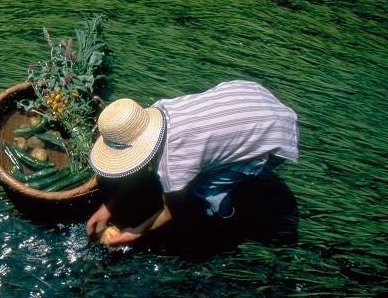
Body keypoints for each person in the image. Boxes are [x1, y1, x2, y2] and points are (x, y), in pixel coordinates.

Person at [85, 80, 299, 246]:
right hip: (251, 97)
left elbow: (172, 212)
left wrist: (136, 233)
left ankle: (228, 222)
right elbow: (141, 165)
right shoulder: (159, 110)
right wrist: (108, 208)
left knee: (205, 196)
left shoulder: (172, 165)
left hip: (274, 135)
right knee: (199, 167)